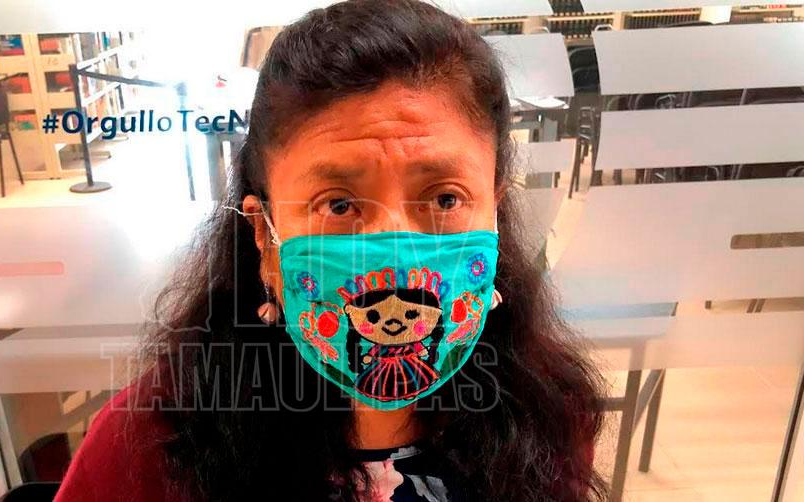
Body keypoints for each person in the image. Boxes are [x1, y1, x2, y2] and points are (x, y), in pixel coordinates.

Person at [55, 1, 606, 500]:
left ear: (494, 213)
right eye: (338, 205)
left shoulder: (550, 417)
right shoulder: (148, 449)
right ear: (265, 237)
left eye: (444, 198)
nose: (396, 260)